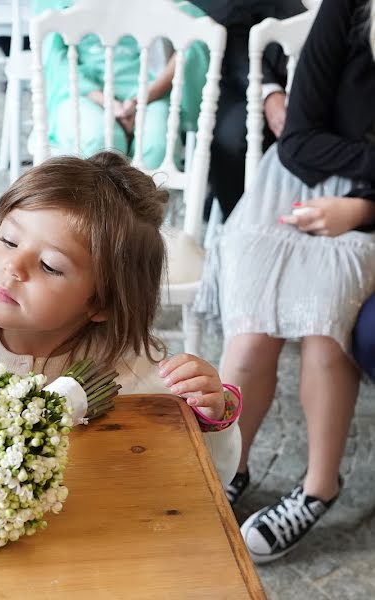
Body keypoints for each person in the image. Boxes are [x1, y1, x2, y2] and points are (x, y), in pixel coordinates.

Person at [197, 0, 375, 563]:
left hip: (367, 207)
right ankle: (228, 466)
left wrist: (360, 208)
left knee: (325, 327)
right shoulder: (351, 9)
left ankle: (321, 487)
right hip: (290, 182)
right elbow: (298, 138)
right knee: (249, 333)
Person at [0, 152, 241, 483]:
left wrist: (212, 415)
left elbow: (213, 477)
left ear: (101, 303)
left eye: (49, 266)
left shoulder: (139, 376)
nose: (13, 266)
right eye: (9, 241)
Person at [31, 0, 209, 169]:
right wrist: (107, 102)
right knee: (98, 142)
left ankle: (146, 201)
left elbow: (196, 36)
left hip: (150, 89)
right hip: (80, 88)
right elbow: (54, 56)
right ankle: (95, 201)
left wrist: (143, 98)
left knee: (157, 146)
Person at [188, 0, 308, 220]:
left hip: (299, 69)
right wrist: (269, 93)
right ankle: (238, 225)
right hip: (232, 78)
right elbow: (230, 29)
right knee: (229, 140)